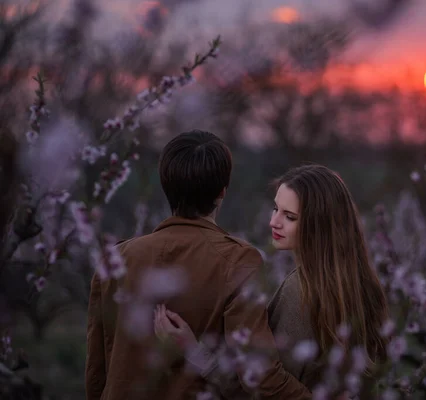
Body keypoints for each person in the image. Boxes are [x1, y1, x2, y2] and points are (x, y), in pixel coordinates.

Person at [85, 130, 311, 400]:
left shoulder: (115, 260)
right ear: (222, 192)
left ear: (166, 185)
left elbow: (97, 373)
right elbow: (260, 375)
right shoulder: (238, 260)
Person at [155, 164, 390, 397]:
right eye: (275, 208)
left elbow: (267, 389)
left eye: (289, 216)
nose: (274, 222)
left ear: (318, 225)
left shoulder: (301, 291)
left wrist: (194, 352)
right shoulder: (363, 287)